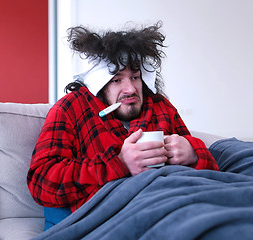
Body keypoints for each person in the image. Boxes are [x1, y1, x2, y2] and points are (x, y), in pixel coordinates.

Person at [27, 22, 219, 214]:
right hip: (119, 214)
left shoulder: (160, 106)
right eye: (117, 80)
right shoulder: (70, 109)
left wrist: (193, 153)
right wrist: (119, 163)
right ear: (100, 84)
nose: (130, 89)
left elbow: (209, 171)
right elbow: (41, 182)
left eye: (135, 77)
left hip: (177, 201)